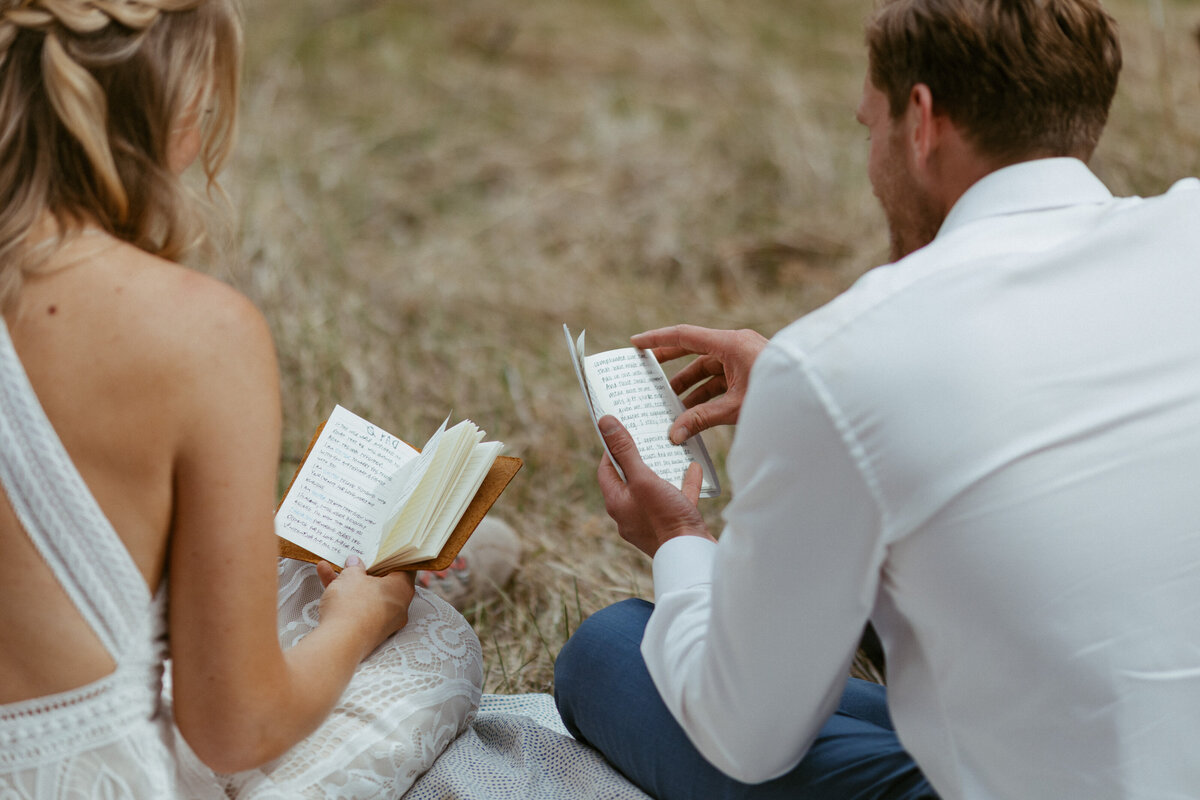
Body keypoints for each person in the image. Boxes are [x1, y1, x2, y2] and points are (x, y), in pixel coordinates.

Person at [554, 0, 1200, 797]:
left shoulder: (843, 361)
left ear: (920, 121)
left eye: (870, 128)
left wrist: (678, 538)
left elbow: (744, 740)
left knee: (613, 648)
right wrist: (820, 411)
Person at [0, 1, 511, 796]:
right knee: (433, 646)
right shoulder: (197, 332)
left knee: (281, 580)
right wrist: (362, 619)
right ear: (167, 106)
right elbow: (236, 727)